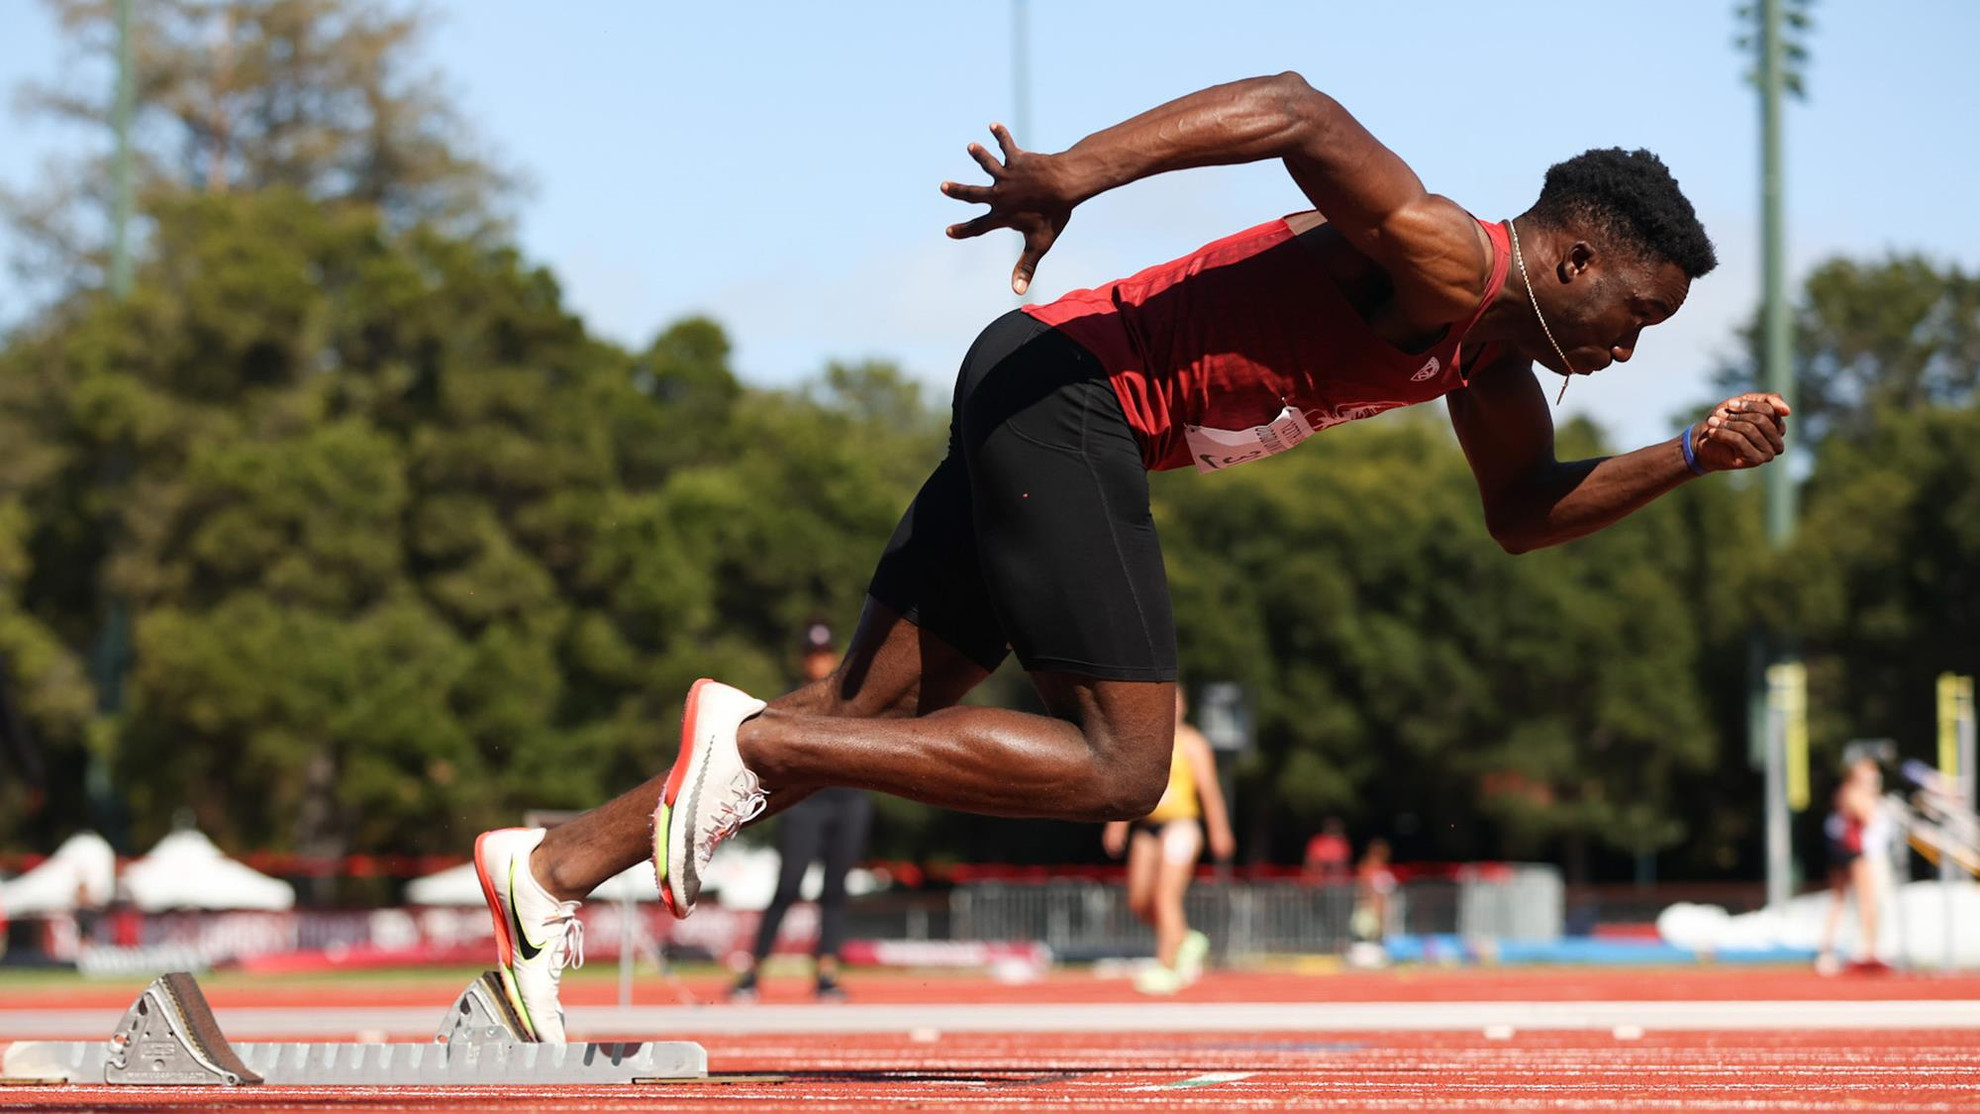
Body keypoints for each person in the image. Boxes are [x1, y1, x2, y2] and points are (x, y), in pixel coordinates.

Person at [475, 72, 1791, 1040]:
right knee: (1125, 764)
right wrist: (1074, 172)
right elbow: (1295, 110)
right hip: (1071, 397)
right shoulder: (1448, 257)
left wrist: (1686, 455)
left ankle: (547, 871)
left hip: (1038, 397)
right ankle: (747, 737)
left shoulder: (1488, 365)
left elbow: (1523, 514)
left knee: (865, 717)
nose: (1635, 346)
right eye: (1638, 312)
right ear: (1571, 256)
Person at [730, 621, 874, 1002]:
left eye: (825, 653)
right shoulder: (794, 701)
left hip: (848, 802)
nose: (819, 662)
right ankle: (754, 971)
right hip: (805, 804)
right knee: (788, 885)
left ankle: (827, 972)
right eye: (812, 654)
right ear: (803, 658)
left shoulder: (855, 700)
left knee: (835, 889)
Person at [1102, 689, 1235, 995]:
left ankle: (1167, 965)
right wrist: (1117, 826)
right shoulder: (1145, 744)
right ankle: (1185, 938)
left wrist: (1220, 830)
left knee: (1166, 897)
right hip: (1148, 827)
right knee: (1139, 900)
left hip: (1182, 826)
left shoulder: (1193, 743)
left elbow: (1210, 791)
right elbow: (1132, 788)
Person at [1816, 758, 1892, 974]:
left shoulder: (1845, 792)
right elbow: (1867, 818)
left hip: (1842, 851)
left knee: (1841, 901)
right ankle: (1868, 950)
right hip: (1854, 851)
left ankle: (1830, 950)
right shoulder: (1853, 793)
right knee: (1866, 901)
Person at [1350, 838, 1398, 943]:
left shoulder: (1384, 869)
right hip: (1369, 913)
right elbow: (1364, 892)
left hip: (1381, 912)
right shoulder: (1366, 869)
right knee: (1367, 941)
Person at [1304, 818, 1351, 885]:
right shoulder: (1318, 841)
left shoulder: (1342, 843)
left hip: (1336, 882)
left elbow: (1343, 863)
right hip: (1317, 881)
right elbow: (1311, 862)